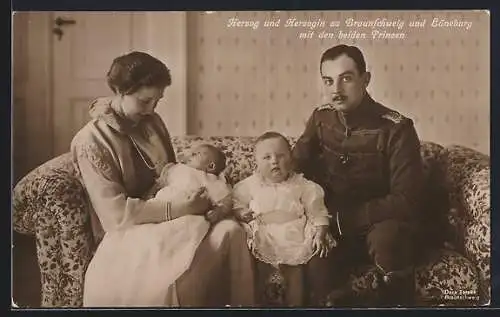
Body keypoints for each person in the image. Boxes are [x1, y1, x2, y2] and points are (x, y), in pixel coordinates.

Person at [70, 51, 255, 307]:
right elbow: (115, 216)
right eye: (145, 101)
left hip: (178, 216)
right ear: (121, 90)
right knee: (180, 276)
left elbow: (172, 172)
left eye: (157, 101)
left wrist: (204, 199)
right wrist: (181, 207)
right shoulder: (91, 141)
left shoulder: (152, 121)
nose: (151, 110)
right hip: (131, 230)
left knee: (231, 232)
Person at [292, 45, 424, 307]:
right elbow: (295, 168)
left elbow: (406, 199)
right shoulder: (321, 119)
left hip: (381, 224)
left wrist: (343, 221)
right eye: (328, 80)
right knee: (314, 257)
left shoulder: (397, 128)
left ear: (366, 79)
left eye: (346, 78)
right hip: (331, 224)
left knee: (389, 240)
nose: (336, 90)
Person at [233, 131, 337, 307]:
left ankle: (298, 304)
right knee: (259, 270)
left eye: (281, 155)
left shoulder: (303, 185)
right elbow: (235, 203)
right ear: (256, 163)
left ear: (291, 159)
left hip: (295, 233)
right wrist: (241, 213)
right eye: (266, 157)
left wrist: (320, 232)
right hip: (264, 233)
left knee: (295, 272)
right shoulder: (249, 185)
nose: (274, 161)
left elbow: (317, 211)